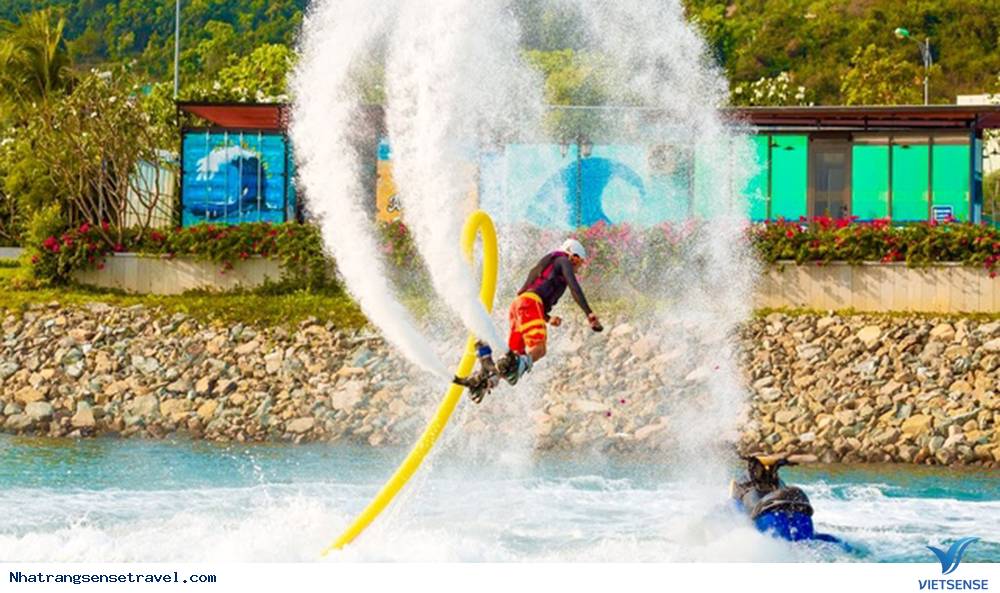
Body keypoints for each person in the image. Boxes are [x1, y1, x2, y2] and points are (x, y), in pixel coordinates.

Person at [457, 238, 603, 403]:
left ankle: (487, 382)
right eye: (579, 263)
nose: (577, 269)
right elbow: (574, 287)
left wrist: (547, 318)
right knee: (538, 350)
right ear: (573, 256)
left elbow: (534, 292)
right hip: (530, 304)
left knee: (513, 359)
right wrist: (589, 314)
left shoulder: (548, 265)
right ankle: (513, 370)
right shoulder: (563, 260)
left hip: (518, 307)